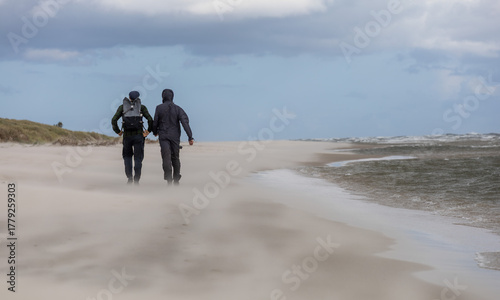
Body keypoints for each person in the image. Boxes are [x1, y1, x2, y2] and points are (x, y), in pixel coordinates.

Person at [153, 89, 194, 185]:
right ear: (172, 97)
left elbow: (155, 122)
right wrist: (190, 137)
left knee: (166, 156)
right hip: (175, 136)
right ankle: (176, 178)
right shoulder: (178, 109)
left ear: (163, 97)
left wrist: (155, 131)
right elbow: (185, 122)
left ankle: (168, 179)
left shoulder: (159, 108)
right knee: (175, 157)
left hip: (163, 136)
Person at [111, 91, 153, 185]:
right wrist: (148, 131)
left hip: (127, 137)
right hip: (139, 136)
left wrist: (118, 131)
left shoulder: (122, 107)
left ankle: (129, 178)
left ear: (129, 97)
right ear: (138, 98)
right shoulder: (141, 108)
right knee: (138, 158)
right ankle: (137, 180)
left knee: (127, 157)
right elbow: (150, 120)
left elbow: (114, 120)